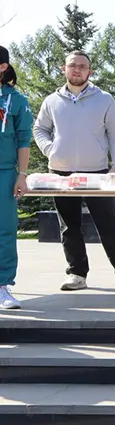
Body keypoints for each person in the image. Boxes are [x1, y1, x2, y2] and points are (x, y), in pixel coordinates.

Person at [32, 50, 115, 292]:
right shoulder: (51, 101)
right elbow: (40, 129)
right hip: (61, 173)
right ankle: (77, 274)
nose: (77, 70)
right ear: (63, 69)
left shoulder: (104, 99)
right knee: (69, 226)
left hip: (98, 173)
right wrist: (50, 150)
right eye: (72, 65)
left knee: (109, 225)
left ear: (90, 71)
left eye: (82, 66)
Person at [0, 46, 32, 310]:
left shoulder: (16, 100)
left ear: (2, 67)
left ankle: (2, 285)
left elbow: (23, 139)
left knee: (5, 229)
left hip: (4, 173)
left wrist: (22, 175)